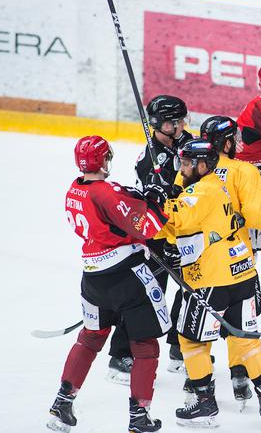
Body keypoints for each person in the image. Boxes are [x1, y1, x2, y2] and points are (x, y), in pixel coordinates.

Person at [47, 136, 171, 433]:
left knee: (91, 337)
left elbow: (110, 210)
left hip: (92, 276)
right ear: (102, 160)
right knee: (145, 345)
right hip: (126, 275)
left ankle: (62, 403)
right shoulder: (107, 192)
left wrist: (137, 197)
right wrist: (156, 200)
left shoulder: (75, 188)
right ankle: (140, 417)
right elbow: (148, 227)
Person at [158, 139, 261, 427]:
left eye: (186, 164)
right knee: (247, 342)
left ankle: (204, 404)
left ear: (203, 165)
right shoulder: (216, 185)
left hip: (211, 279)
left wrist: (158, 201)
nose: (181, 168)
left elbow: (170, 221)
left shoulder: (201, 191)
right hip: (242, 272)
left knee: (191, 341)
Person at [107, 95, 193, 382]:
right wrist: (161, 186)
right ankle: (121, 354)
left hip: (187, 229)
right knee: (148, 294)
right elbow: (150, 203)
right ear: (158, 124)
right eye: (173, 122)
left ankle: (179, 349)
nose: (180, 126)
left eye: (182, 120)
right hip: (158, 235)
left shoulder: (188, 142)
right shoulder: (149, 160)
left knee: (191, 288)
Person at [198, 115, 261, 409]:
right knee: (242, 327)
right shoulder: (244, 171)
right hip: (239, 263)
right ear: (228, 142)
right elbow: (258, 218)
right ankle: (242, 379)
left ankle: (200, 393)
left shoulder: (191, 169)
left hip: (200, 266)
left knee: (198, 335)